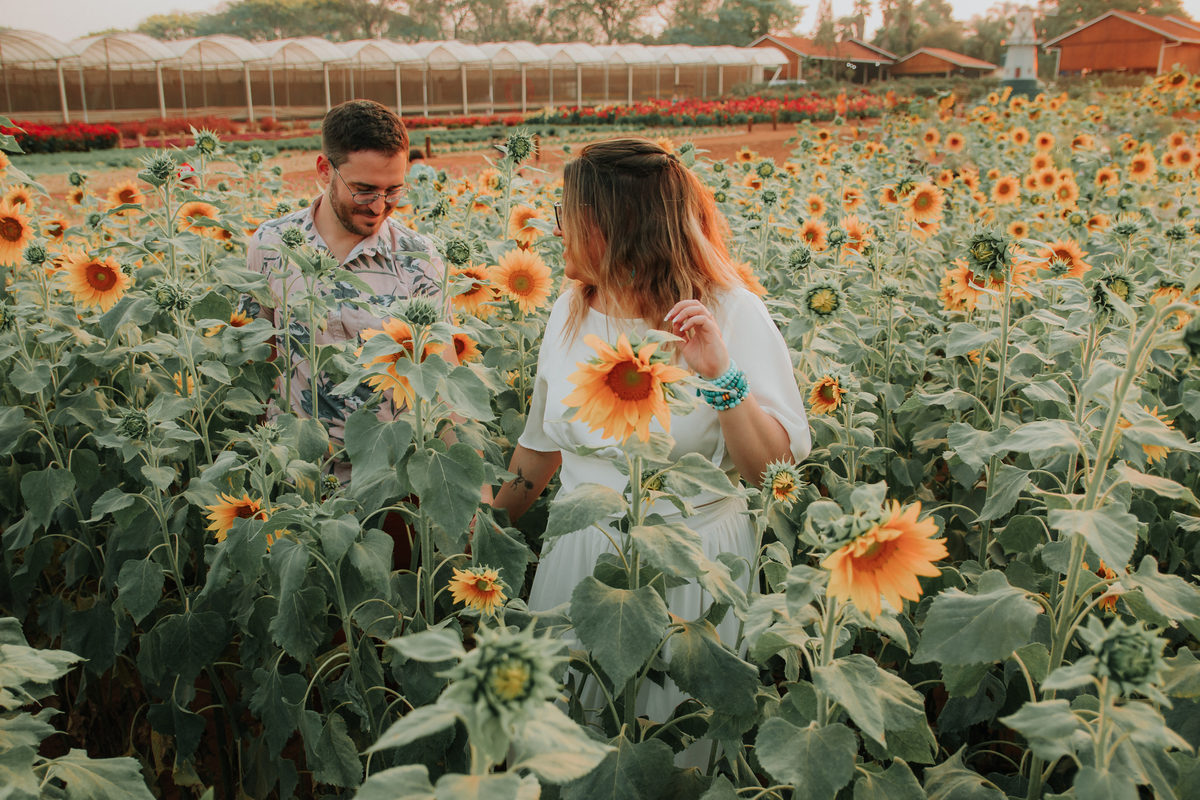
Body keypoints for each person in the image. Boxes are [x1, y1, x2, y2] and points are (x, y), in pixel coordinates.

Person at [489, 137, 811, 767]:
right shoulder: (568, 310)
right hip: (582, 555)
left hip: (689, 566)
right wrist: (487, 527)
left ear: (616, 226)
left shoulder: (728, 311)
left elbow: (774, 470)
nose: (555, 230)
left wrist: (720, 374)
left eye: (567, 217)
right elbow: (539, 447)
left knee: (672, 750)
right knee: (571, 746)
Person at [241, 100, 450, 568]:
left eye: (393, 191)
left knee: (383, 613)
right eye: (363, 190)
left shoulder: (418, 257)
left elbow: (440, 378)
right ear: (323, 169)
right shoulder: (272, 246)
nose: (379, 207)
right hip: (295, 473)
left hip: (390, 481)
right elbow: (256, 356)